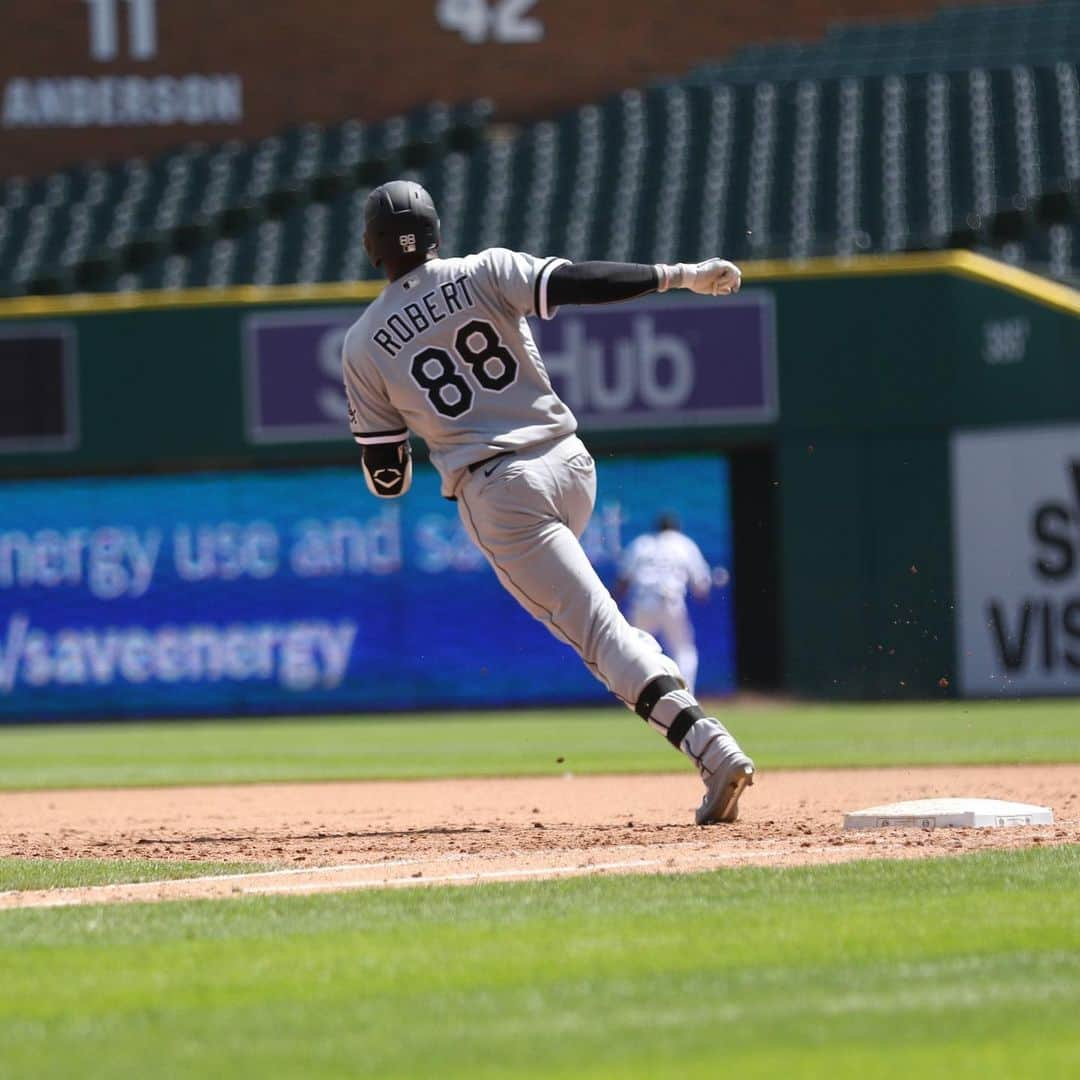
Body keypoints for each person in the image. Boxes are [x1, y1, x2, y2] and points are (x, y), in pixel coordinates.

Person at [341, 180, 754, 825]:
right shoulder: (484, 269)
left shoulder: (363, 343)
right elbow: (580, 281)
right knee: (606, 626)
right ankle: (681, 706)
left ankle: (709, 746)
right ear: (435, 232)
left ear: (372, 250)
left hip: (501, 489)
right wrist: (681, 276)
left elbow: (388, 478)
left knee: (601, 634)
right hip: (571, 464)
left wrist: (401, 448)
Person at [616, 513, 714, 696]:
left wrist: (614, 601)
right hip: (671, 602)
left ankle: (635, 694)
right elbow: (701, 585)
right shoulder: (683, 544)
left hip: (642, 602)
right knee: (683, 650)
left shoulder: (642, 543)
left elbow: (623, 580)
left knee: (636, 652)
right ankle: (686, 694)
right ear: (676, 528)